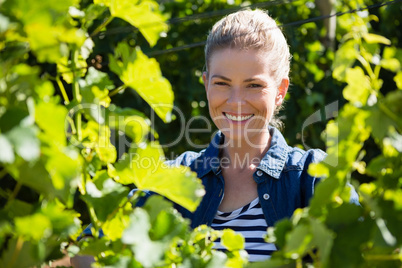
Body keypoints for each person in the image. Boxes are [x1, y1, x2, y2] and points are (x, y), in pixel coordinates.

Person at [73, 9, 357, 266]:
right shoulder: (176, 177)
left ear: (280, 90)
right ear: (206, 83)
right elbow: (89, 249)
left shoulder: (313, 177)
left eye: (253, 85)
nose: (235, 101)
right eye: (222, 84)